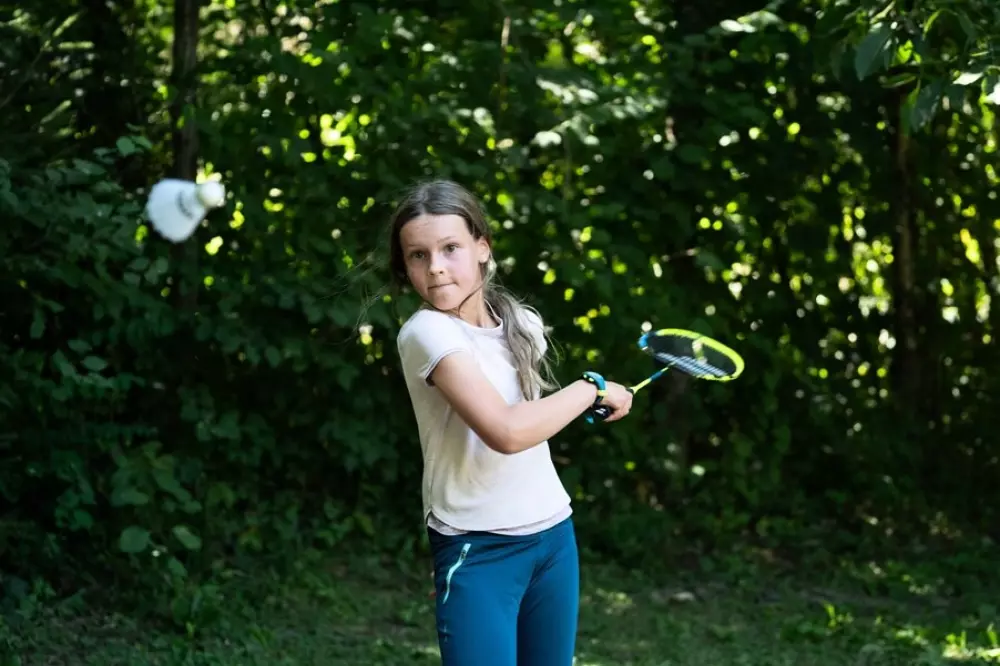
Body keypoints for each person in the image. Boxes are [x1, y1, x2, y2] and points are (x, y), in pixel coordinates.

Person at [388, 179, 634, 666]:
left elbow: (532, 416)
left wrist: (587, 399)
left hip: (552, 537)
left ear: (482, 246)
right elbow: (507, 431)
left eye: (450, 248)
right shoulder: (427, 332)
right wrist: (592, 387)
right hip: (475, 549)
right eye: (418, 255)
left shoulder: (520, 322)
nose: (435, 266)